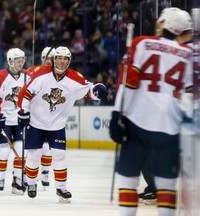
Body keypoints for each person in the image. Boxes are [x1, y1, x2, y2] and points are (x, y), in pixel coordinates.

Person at [109, 8, 193, 216]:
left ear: (163, 24)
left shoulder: (142, 43)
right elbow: (189, 96)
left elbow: (129, 83)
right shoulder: (189, 54)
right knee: (166, 188)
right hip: (169, 128)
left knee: (128, 181)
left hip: (137, 122)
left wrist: (117, 115)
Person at [17, 46, 108, 202]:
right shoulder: (41, 73)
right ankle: (31, 183)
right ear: (54, 60)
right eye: (59, 58)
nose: (62, 61)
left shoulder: (75, 78)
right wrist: (23, 112)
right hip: (36, 122)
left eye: (66, 58)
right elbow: (25, 93)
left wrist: (99, 90)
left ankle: (61, 188)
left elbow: (88, 89)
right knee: (34, 154)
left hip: (57, 125)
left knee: (59, 155)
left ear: (69, 61)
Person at [0, 48, 28, 195]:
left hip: (20, 120)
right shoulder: (0, 77)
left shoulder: (26, 76)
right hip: (4, 120)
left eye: (22, 60)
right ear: (10, 61)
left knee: (21, 150)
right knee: (3, 150)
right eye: (18, 61)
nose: (21, 63)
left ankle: (17, 180)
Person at [26, 46, 56, 188]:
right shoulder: (34, 71)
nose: (49, 61)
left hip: (51, 117)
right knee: (34, 150)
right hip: (35, 117)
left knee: (47, 148)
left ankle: (45, 172)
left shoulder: (59, 74)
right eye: (47, 58)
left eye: (52, 59)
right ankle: (30, 173)